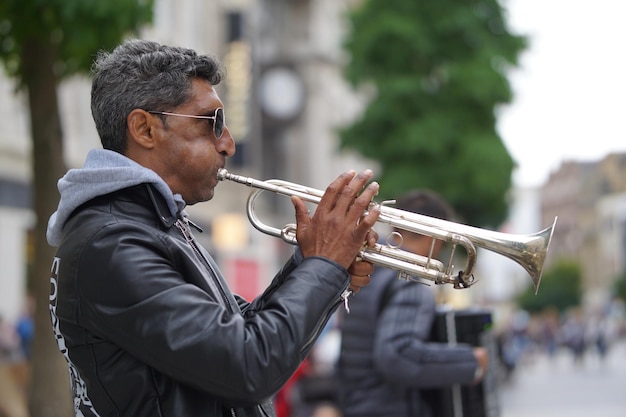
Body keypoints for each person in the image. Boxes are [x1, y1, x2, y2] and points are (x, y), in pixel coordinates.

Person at [46, 39, 381, 417]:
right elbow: (247, 368)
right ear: (144, 129)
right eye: (213, 123)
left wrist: (316, 266)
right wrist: (324, 265)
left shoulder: (153, 225)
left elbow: (245, 330)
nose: (228, 144)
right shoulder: (111, 243)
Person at [337, 190, 489, 417]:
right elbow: (397, 355)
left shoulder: (364, 273)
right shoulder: (409, 283)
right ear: (435, 236)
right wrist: (471, 361)